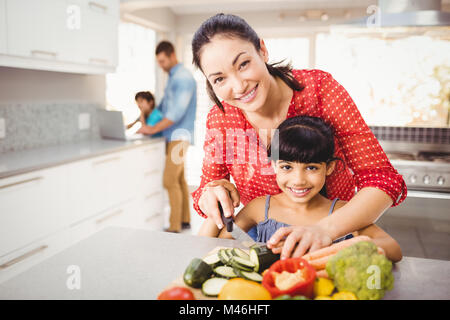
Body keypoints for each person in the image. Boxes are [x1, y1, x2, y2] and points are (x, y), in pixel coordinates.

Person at [190, 13, 407, 257]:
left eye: (243, 64)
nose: (239, 86)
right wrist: (211, 194)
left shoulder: (320, 91)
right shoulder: (220, 119)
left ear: (262, 50)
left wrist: (325, 229)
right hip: (263, 244)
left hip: (335, 236)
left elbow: (381, 179)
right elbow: (205, 193)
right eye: (220, 79)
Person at [198, 116, 402, 263]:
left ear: (329, 167)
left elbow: (393, 249)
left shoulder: (342, 212)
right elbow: (221, 242)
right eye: (287, 167)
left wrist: (342, 249)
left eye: (311, 168)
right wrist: (216, 202)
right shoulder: (261, 208)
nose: (298, 180)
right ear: (274, 165)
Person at [138, 41, 197, 233]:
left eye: (163, 61)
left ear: (172, 55)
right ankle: (185, 220)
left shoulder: (182, 78)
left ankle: (174, 227)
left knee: (169, 180)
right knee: (179, 180)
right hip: (174, 137)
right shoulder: (173, 78)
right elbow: (163, 107)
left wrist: (150, 130)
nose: (161, 65)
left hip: (179, 137)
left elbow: (175, 114)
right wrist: (145, 120)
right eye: (159, 62)